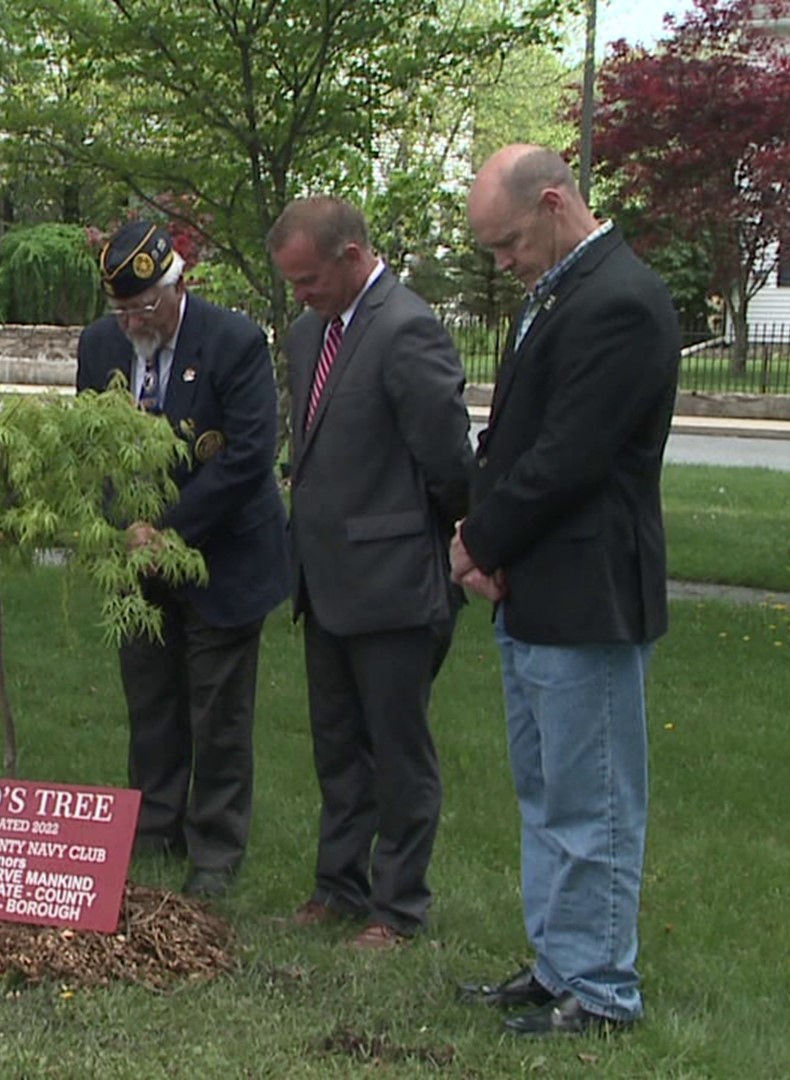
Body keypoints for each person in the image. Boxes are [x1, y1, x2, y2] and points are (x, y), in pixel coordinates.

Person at [452, 145, 680, 1036]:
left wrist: (477, 540)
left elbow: (568, 460)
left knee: (594, 803)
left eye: (509, 242)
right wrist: (488, 539)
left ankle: (604, 989)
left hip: (589, 591)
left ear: (554, 202)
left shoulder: (621, 301)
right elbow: (513, 440)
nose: (503, 263)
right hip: (535, 586)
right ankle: (558, 968)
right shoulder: (556, 297)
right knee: (547, 796)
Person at [268, 196, 472, 949]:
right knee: (337, 747)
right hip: (322, 583)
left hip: (394, 585)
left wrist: (444, 550)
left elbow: (450, 463)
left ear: (353, 255)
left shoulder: (407, 328)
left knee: (397, 752)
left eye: (310, 279)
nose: (302, 295)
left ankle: (398, 907)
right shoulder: (305, 333)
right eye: (292, 283)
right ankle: (338, 886)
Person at [74, 220, 291, 899]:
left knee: (218, 711)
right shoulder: (100, 345)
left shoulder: (235, 342)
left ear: (178, 285)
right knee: (151, 701)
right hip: (135, 563)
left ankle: (216, 850)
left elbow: (251, 456)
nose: (133, 322)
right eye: (121, 310)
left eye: (144, 308)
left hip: (222, 553)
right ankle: (153, 827)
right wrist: (123, 529)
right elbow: (94, 445)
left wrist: (168, 528)